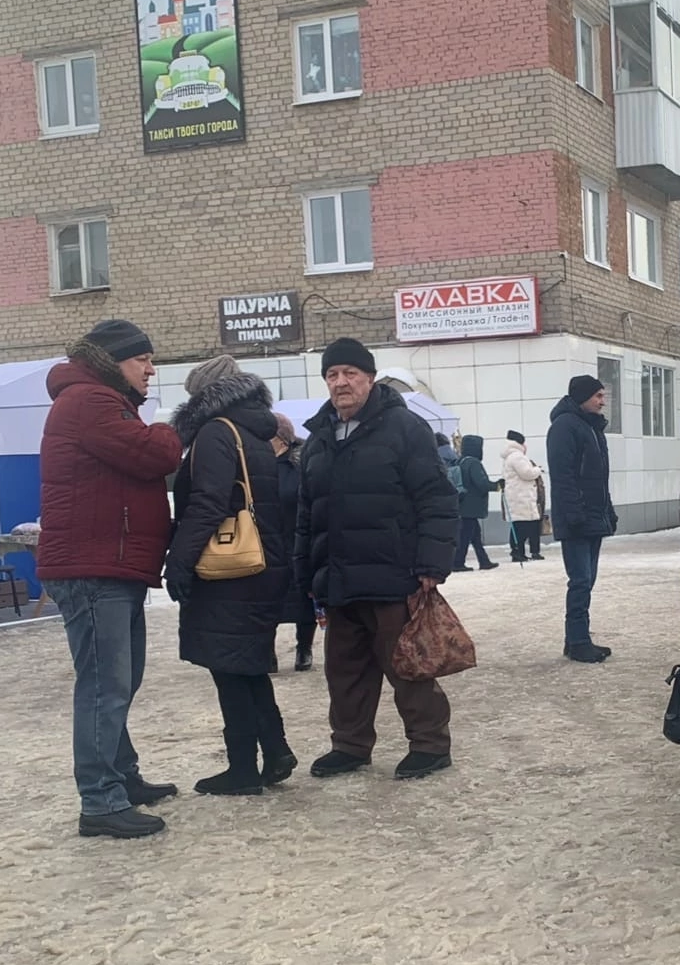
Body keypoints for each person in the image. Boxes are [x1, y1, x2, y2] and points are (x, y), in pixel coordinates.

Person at [36, 318, 184, 839]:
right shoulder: (89, 402)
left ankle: (122, 777)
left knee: (119, 681)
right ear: (112, 360)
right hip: (93, 567)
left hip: (108, 566)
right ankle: (100, 800)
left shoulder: (98, 401)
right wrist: (174, 425)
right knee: (105, 686)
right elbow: (157, 455)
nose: (150, 368)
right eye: (141, 358)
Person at [295, 338, 459, 781]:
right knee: (344, 671)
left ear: (369, 379)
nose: (341, 382)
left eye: (350, 373)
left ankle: (429, 743)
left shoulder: (404, 429)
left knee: (406, 663)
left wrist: (431, 563)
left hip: (394, 572)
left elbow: (436, 498)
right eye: (332, 375)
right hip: (339, 577)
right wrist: (306, 571)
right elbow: (307, 513)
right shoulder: (319, 439)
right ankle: (349, 745)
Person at [163, 357, 294, 797]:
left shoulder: (217, 431)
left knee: (228, 667)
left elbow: (207, 504)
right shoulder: (255, 430)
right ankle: (275, 751)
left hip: (229, 570)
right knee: (247, 665)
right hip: (261, 562)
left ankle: (242, 767)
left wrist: (178, 562)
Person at [548, 374, 617, 662]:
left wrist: (607, 511)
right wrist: (574, 514)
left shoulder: (591, 428)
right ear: (582, 397)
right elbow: (563, 476)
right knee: (580, 580)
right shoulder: (565, 427)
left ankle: (575, 638)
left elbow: (599, 479)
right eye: (597, 396)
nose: (603, 401)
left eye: (603, 395)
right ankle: (578, 641)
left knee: (587, 581)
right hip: (576, 518)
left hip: (593, 516)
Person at [272, 414, 319, 672]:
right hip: (268, 542)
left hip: (298, 539)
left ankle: (304, 648)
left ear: (279, 438)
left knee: (303, 599)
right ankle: (267, 650)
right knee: (268, 600)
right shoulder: (257, 465)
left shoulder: (301, 465)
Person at [453, 434, 500, 572]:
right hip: (471, 507)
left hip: (462, 504)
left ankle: (484, 561)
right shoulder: (473, 463)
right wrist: (497, 486)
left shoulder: (460, 461)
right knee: (466, 536)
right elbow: (481, 484)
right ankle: (457, 562)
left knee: (474, 536)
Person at [501, 430, 545, 562]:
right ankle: (518, 553)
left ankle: (518, 552)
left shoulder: (509, 456)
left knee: (519, 525)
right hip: (522, 497)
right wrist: (537, 469)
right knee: (522, 526)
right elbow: (527, 473)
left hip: (517, 496)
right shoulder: (517, 456)